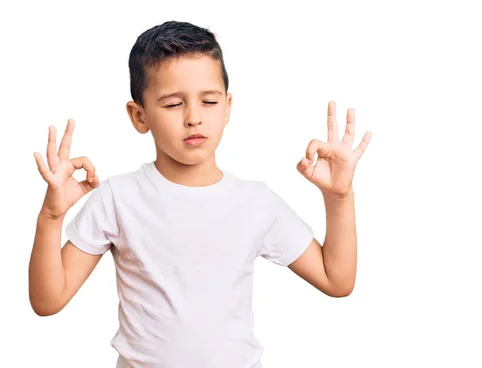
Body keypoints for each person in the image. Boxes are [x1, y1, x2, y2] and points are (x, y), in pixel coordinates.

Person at [28, 20, 372, 368]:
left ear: (228, 107)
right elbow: (48, 300)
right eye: (174, 104)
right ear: (139, 116)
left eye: (209, 101)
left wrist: (339, 196)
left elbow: (336, 279)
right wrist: (51, 216)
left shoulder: (255, 203)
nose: (194, 117)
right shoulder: (118, 198)